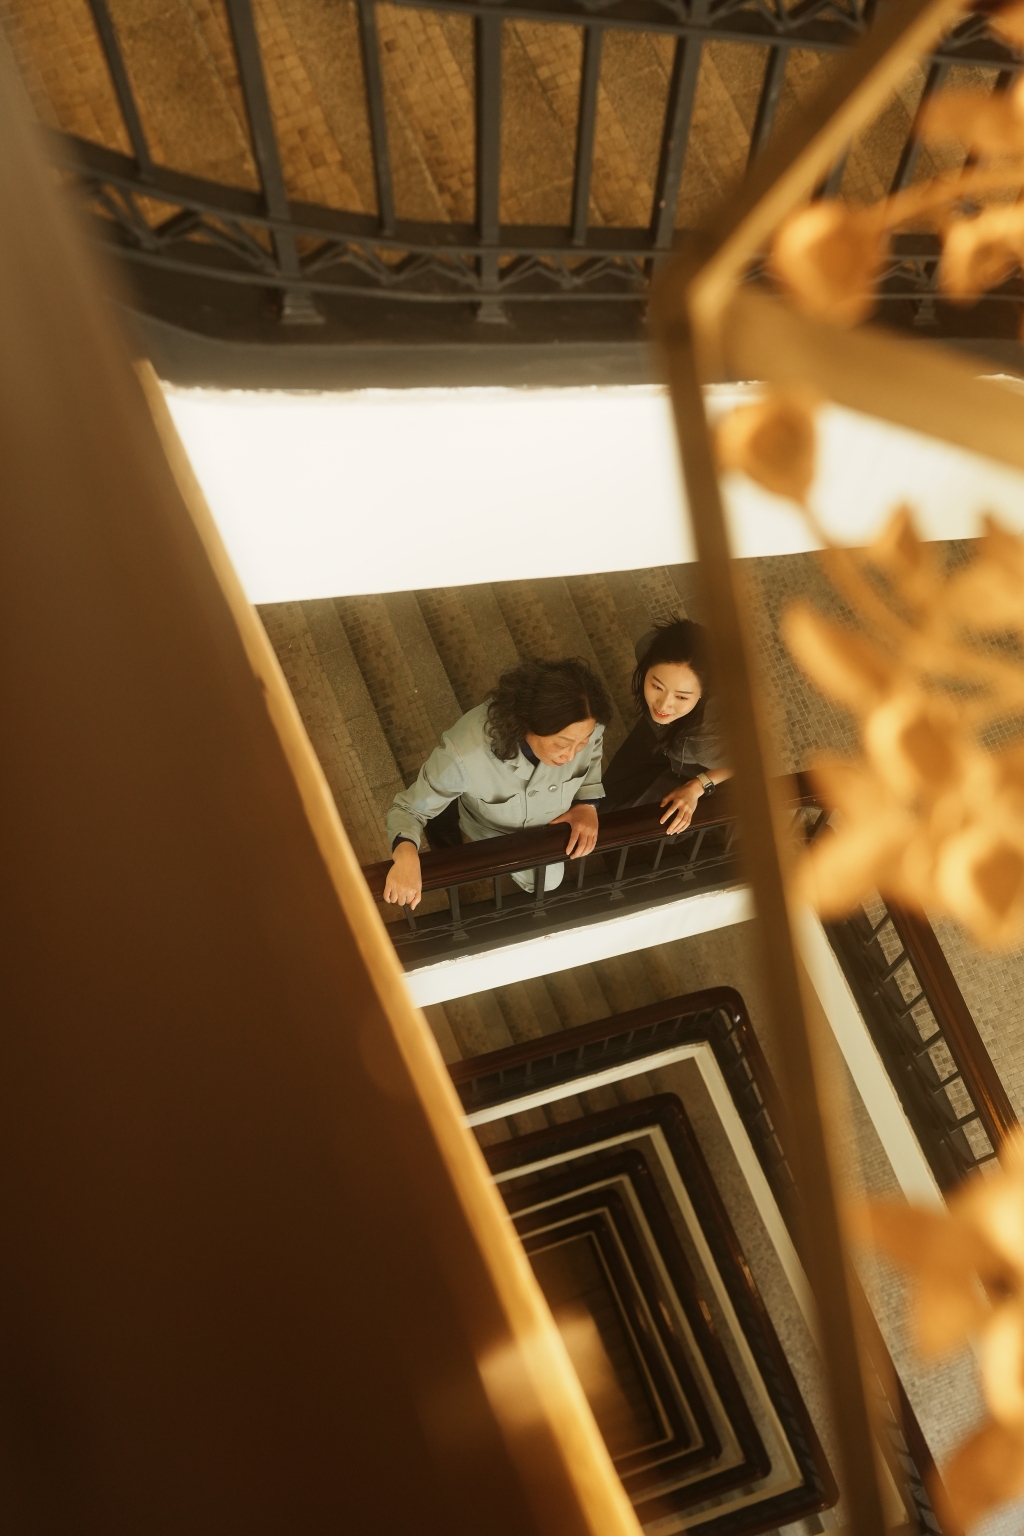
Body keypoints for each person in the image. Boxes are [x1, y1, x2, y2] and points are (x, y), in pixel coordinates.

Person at [383, 657, 613, 910]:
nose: (570, 756)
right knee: (547, 880)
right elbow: (408, 809)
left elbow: (593, 752)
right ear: (526, 722)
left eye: (581, 744)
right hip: (492, 833)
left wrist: (586, 804)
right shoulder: (463, 755)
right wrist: (405, 854)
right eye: (561, 744)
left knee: (548, 880)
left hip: (547, 827)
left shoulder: (588, 725)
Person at [602, 618, 732, 832]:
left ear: (703, 693)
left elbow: (743, 761)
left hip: (687, 765)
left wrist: (698, 786)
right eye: (657, 686)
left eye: (681, 697)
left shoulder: (705, 742)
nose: (663, 706)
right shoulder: (647, 647)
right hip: (654, 737)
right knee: (609, 796)